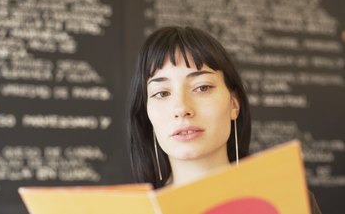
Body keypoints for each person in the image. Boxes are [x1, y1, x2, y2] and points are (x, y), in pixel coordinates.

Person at [127, 26, 321, 213]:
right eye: (161, 93)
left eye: (202, 87)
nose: (182, 109)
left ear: (234, 104)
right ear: (147, 114)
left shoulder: (288, 203)